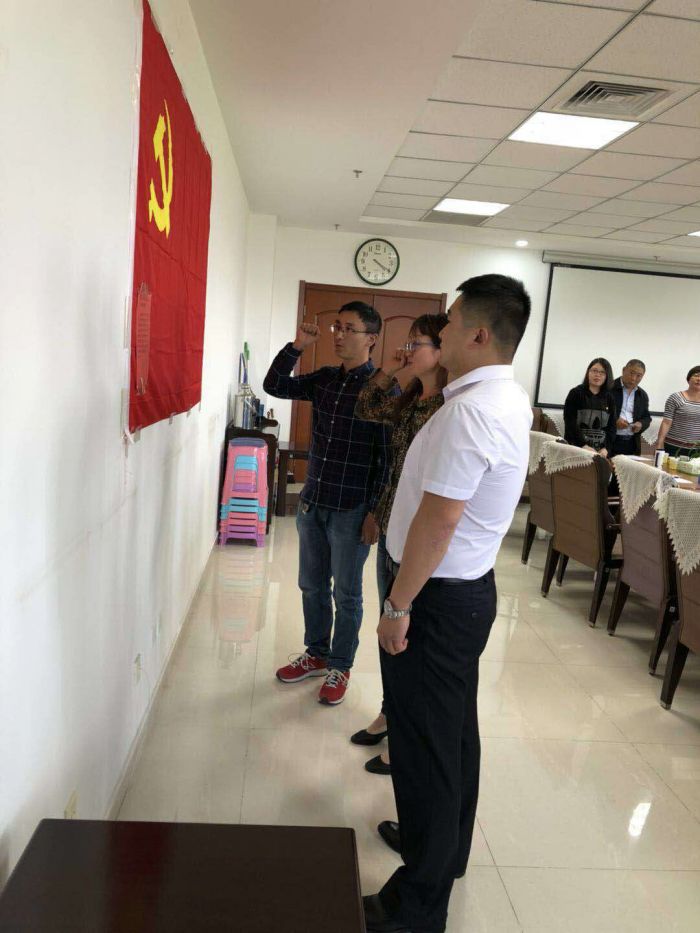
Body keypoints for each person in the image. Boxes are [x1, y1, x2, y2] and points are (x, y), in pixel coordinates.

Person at [362, 274, 532, 933]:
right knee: (453, 734)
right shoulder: (498, 397)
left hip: (434, 599)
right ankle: (443, 851)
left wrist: (397, 605)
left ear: (479, 334)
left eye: (452, 321)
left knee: (425, 747)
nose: (441, 330)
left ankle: (416, 906)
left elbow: (439, 521)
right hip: (462, 594)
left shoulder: (471, 412)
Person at [263, 302, 391, 706]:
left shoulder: (383, 389)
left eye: (349, 329)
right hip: (314, 499)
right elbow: (274, 385)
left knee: (347, 595)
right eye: (337, 326)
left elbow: (387, 459)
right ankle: (316, 653)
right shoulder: (323, 380)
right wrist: (297, 346)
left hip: (352, 508)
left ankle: (340, 666)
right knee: (311, 585)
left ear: (371, 339)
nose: (339, 335)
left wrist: (376, 512)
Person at [350, 313, 449, 776]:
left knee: (409, 640)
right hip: (390, 525)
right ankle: (390, 713)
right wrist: (393, 368)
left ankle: (405, 737)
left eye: (417, 343)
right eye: (408, 342)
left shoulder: (448, 408)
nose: (409, 350)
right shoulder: (411, 398)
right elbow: (366, 406)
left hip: (418, 539)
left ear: (442, 349)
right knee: (387, 632)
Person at [563, 357, 617, 457]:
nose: (597, 375)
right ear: (588, 372)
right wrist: (583, 445)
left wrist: (606, 448)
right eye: (594, 371)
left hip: (600, 453)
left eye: (602, 372)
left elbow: (612, 426)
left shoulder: (609, 397)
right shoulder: (575, 393)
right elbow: (570, 422)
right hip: (576, 449)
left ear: (607, 376)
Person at [656, 365, 700, 459]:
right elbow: (666, 422)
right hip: (673, 447)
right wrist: (659, 444)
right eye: (696, 375)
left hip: (696, 450)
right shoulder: (676, 398)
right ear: (688, 379)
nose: (699, 379)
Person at [611, 359, 651, 457]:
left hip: (631, 443)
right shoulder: (609, 388)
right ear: (624, 370)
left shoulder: (642, 395)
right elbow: (600, 413)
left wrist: (641, 424)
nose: (633, 378)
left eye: (638, 375)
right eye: (631, 373)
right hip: (610, 441)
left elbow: (647, 417)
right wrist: (614, 421)